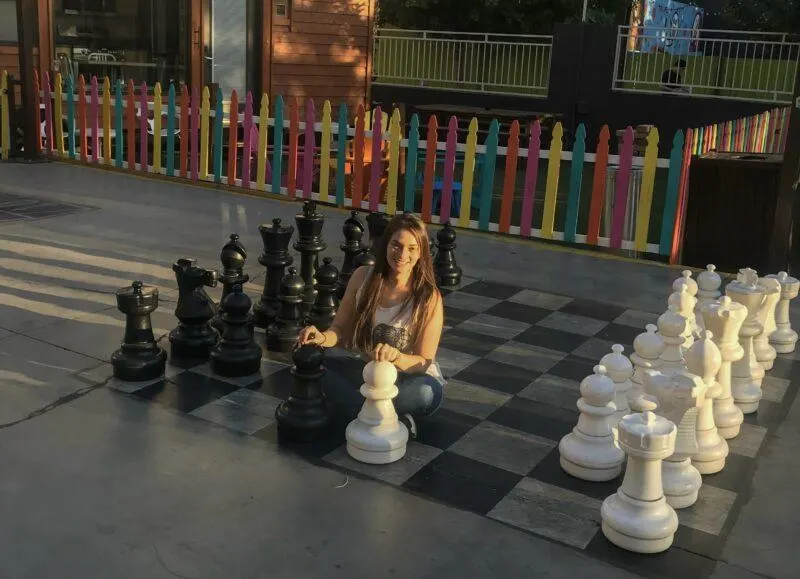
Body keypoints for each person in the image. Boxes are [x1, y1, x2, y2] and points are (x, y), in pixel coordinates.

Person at [295, 212, 446, 437]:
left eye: (412, 248)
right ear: (386, 245)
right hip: (366, 371)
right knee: (312, 368)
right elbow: (340, 331)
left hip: (407, 378)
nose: (402, 254)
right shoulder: (363, 277)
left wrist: (396, 356)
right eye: (396, 245)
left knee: (426, 392)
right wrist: (321, 338)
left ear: (421, 252)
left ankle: (362, 411)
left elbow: (423, 362)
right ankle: (390, 417)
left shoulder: (428, 297)